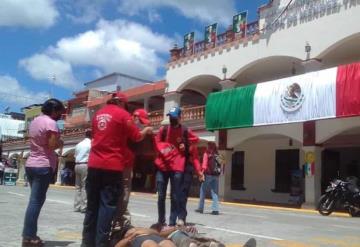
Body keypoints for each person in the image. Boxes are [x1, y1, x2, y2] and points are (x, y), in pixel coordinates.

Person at [82, 92, 153, 247]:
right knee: (107, 207)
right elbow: (136, 137)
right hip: (112, 166)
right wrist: (146, 131)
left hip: (94, 164)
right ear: (122, 103)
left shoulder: (98, 114)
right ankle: (101, 243)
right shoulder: (123, 115)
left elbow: (95, 135)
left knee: (92, 207)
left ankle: (87, 243)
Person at [22, 98, 65, 246]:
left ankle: (29, 235)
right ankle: (29, 236)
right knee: (36, 202)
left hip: (31, 163)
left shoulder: (35, 121)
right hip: (43, 165)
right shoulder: (51, 123)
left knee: (34, 201)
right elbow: (52, 145)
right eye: (60, 112)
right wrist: (61, 142)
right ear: (54, 111)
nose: (61, 115)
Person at [154, 106, 203, 227]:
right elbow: (156, 142)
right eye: (170, 117)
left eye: (174, 117)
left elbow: (196, 140)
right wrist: (165, 149)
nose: (172, 120)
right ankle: (161, 221)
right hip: (162, 166)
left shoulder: (184, 131)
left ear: (180, 118)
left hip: (177, 167)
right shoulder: (164, 130)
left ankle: (172, 222)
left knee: (175, 195)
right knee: (161, 195)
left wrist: (185, 145)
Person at [195, 142, 224, 215]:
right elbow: (222, 164)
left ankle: (200, 208)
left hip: (208, 175)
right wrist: (221, 174)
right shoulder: (218, 154)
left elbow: (204, 165)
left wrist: (202, 173)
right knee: (215, 193)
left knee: (203, 191)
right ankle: (215, 210)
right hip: (216, 176)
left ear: (209, 146)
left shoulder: (206, 153)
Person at [74, 129, 92, 213]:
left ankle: (76, 206)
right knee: (85, 186)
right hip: (85, 164)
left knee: (78, 187)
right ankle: (84, 206)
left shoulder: (79, 144)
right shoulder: (91, 144)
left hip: (77, 164)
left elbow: (75, 155)